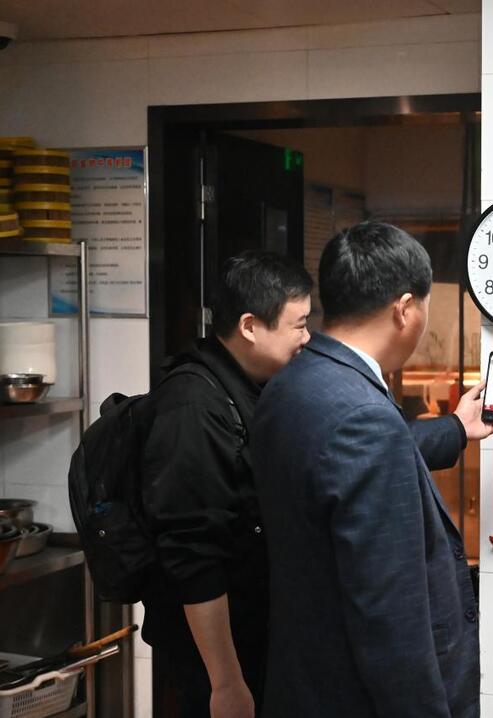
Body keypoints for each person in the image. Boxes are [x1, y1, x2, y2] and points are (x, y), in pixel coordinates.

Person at [252, 222, 493, 718]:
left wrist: (456, 429)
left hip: (304, 679)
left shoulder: (294, 383)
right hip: (356, 698)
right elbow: (390, 615)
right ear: (405, 309)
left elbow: (347, 459)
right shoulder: (363, 416)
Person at [140, 251, 313, 718]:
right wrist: (226, 682)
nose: (306, 337)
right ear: (250, 326)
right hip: (218, 657)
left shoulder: (251, 386)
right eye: (298, 325)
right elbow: (192, 555)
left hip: (256, 633)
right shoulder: (193, 406)